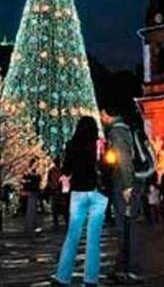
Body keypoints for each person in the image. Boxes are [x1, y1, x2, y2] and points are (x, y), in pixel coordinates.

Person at [50, 116, 108, 287]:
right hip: (98, 194)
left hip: (78, 193)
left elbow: (66, 169)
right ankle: (91, 279)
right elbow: (108, 166)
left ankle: (63, 277)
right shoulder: (100, 144)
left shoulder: (72, 144)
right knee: (94, 238)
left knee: (72, 235)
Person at [101, 102, 147, 285]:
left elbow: (124, 160)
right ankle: (121, 268)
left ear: (108, 113)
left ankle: (133, 269)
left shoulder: (117, 132)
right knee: (127, 227)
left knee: (127, 227)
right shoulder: (127, 128)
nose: (101, 116)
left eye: (102, 113)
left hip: (124, 185)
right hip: (132, 182)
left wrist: (127, 187)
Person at [22, 163, 41, 235]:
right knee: (31, 210)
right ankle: (31, 227)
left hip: (32, 193)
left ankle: (31, 227)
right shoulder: (32, 175)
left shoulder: (32, 175)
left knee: (31, 210)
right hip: (31, 193)